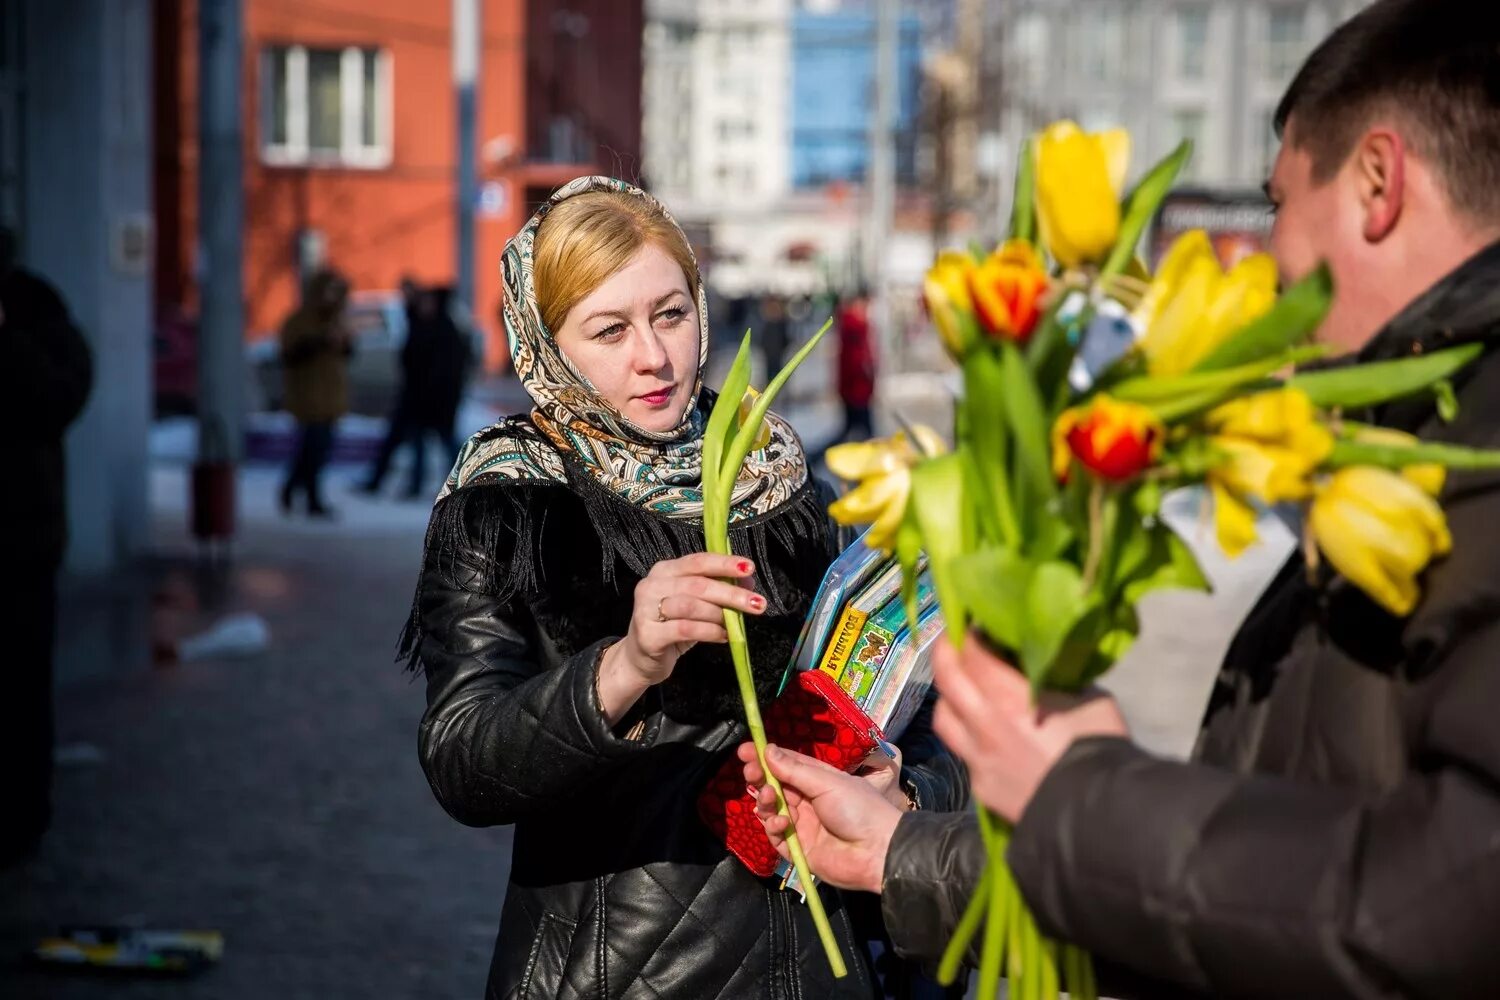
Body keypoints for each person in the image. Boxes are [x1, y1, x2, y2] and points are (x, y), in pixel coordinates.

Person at [743, 3, 1500, 997]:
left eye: (1278, 204)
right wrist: (906, 852)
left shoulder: (1467, 446)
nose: (1268, 260)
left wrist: (1087, 793)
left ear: (1376, 182)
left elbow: (1444, 898)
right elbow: (1292, 857)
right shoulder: (1422, 432)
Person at [400, 177, 965, 1000]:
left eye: (670, 313)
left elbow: (926, 713)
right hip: (624, 973)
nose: (655, 356)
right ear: (548, 346)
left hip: (827, 964)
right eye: (609, 330)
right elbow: (463, 764)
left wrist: (899, 786)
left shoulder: (771, 472)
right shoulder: (510, 503)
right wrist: (624, 665)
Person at [0, 226, 93, 866]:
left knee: (21, 687)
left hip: (20, 541)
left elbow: (60, 398)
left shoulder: (37, 313)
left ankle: (22, 818)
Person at [361, 284, 472, 498]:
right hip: (420, 399)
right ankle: (418, 485)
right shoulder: (422, 325)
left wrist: (437, 393)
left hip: (438, 400)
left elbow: (445, 370)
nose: (424, 306)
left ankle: (463, 480)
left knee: (444, 440)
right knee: (420, 441)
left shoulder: (443, 331)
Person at [279, 268, 351, 517]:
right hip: (308, 396)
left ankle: (292, 488)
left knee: (317, 449)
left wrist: (342, 342)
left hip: (329, 396)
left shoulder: (335, 320)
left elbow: (347, 352)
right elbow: (291, 354)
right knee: (313, 448)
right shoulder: (300, 321)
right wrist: (321, 341)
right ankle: (310, 497)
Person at [822, 289, 876, 456]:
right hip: (857, 389)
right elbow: (856, 359)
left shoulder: (852, 325)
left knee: (850, 429)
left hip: (854, 388)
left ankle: (826, 454)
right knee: (864, 430)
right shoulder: (855, 326)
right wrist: (866, 374)